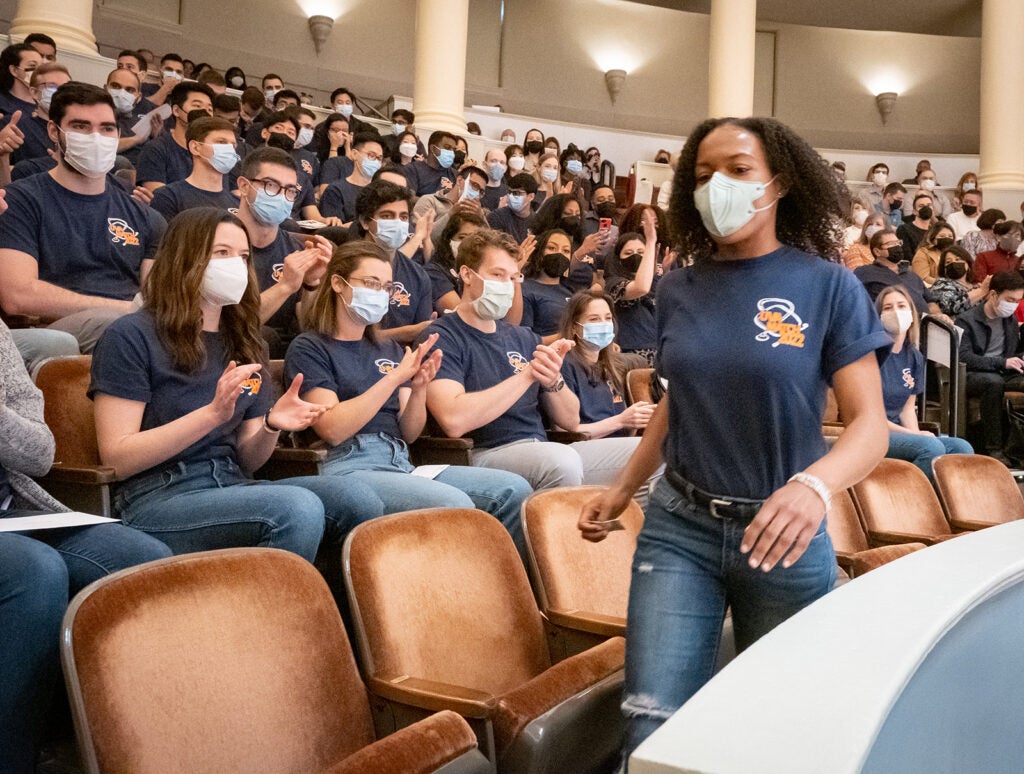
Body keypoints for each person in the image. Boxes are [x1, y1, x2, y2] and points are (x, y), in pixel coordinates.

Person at [578, 116, 890, 763]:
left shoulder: (827, 285)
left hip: (785, 534)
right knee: (651, 731)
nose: (718, 186)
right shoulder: (678, 287)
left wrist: (815, 485)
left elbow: (870, 426)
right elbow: (674, 401)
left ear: (778, 182)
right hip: (679, 529)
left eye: (738, 171)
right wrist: (623, 487)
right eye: (702, 175)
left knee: (783, 736)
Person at [90, 207, 365, 561]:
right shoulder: (130, 335)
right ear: (184, 259)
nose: (236, 265)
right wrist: (212, 414)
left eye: (243, 256)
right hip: (157, 493)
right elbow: (117, 457)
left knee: (355, 500)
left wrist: (270, 426)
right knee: (295, 508)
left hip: (232, 481)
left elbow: (248, 460)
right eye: (222, 253)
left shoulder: (246, 339)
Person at [0, 316, 170, 774]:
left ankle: (131, 754)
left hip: (10, 510)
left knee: (145, 560)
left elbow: (37, 453)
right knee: (34, 572)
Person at [284, 241, 532, 546]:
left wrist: (417, 390)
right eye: (371, 283)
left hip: (400, 460)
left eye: (386, 287)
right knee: (454, 505)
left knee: (512, 489)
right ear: (338, 283)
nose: (380, 293)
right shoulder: (310, 347)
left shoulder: (386, 348)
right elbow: (333, 429)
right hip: (347, 464)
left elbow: (410, 433)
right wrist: (393, 379)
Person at [425, 229, 645, 492]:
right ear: (467, 274)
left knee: (653, 453)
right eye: (497, 275)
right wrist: (527, 375)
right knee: (561, 462)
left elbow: (570, 420)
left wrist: (553, 380)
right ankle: (548, 532)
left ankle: (618, 531)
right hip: (482, 453)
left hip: (542, 447)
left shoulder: (523, 337)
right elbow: (453, 420)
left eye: (513, 277)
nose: (506, 284)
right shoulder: (443, 335)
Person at [0, 82, 166, 354]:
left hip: (135, 326)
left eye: (106, 129)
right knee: (122, 326)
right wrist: (126, 309)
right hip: (54, 331)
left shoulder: (146, 218)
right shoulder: (19, 200)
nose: (96, 137)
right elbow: (18, 297)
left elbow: (158, 299)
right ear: (54, 131)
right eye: (81, 127)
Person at [234, 147, 331, 357]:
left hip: (287, 356)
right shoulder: (218, 243)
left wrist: (311, 284)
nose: (281, 196)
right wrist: (286, 285)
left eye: (289, 190)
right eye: (271, 185)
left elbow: (309, 326)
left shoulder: (296, 247)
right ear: (243, 185)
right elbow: (228, 326)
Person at [876, 285, 973, 478]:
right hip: (874, 432)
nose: (896, 312)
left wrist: (914, 434)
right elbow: (871, 416)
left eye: (901, 306)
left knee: (962, 447)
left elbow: (906, 410)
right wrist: (915, 437)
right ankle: (908, 499)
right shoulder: (872, 355)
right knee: (930, 447)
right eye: (888, 308)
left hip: (899, 431)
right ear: (878, 316)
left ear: (912, 313)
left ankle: (941, 504)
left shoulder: (914, 356)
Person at [557, 289, 655, 440]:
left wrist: (637, 420)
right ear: (574, 327)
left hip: (617, 446)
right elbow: (563, 432)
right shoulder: (564, 365)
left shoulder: (610, 365)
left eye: (608, 318)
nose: (603, 324)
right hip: (582, 448)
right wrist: (621, 421)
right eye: (594, 319)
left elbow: (623, 430)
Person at [350, 180, 435, 343]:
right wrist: (404, 333)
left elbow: (420, 335)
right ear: (365, 222)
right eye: (387, 216)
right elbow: (338, 335)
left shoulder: (418, 275)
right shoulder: (345, 265)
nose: (397, 223)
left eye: (403, 217)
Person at [956, 270, 1024, 465]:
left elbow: (1009, 355)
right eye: (1010, 299)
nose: (1014, 305)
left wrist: (1019, 358)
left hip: (1003, 370)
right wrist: (1002, 363)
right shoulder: (966, 320)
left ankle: (1017, 447)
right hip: (975, 373)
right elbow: (964, 357)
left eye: (1018, 300)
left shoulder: (1009, 320)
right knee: (993, 383)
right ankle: (994, 448)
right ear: (993, 295)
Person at [151, 116, 240, 222]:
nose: (229, 149)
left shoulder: (238, 203)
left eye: (233, 145)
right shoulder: (168, 196)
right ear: (195, 147)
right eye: (221, 142)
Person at [136, 80, 215, 191]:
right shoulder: (156, 149)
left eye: (209, 109)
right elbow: (158, 197)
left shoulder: (213, 154)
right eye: (197, 106)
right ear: (177, 110)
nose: (204, 113)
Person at [605, 221, 660, 364]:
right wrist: (650, 242)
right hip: (628, 353)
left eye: (641, 252)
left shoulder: (656, 282)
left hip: (657, 350)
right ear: (618, 259)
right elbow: (641, 288)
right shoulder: (613, 283)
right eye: (628, 253)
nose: (636, 256)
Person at [854, 229, 931, 313]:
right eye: (891, 244)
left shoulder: (912, 275)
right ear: (877, 251)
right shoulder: (865, 272)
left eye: (898, 243)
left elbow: (930, 300)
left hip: (924, 322)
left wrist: (937, 314)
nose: (897, 246)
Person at [426, 210, 488, 313]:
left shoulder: (485, 269)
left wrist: (515, 279)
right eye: (462, 237)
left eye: (476, 239)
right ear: (449, 239)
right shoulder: (434, 272)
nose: (468, 244)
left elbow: (511, 321)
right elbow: (461, 315)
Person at [519, 229, 574, 341]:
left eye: (566, 251)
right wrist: (569, 335)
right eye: (552, 248)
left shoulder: (569, 291)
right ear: (540, 252)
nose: (559, 254)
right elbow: (524, 341)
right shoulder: (525, 289)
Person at [319, 132, 384, 224]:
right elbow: (334, 230)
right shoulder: (335, 190)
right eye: (371, 156)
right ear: (354, 154)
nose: (376, 162)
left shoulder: (382, 192)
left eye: (379, 158)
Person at [929, 245, 987, 318]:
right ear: (944, 269)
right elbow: (950, 307)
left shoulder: (976, 286)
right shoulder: (941, 284)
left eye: (958, 259)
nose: (953, 263)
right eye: (948, 262)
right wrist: (982, 291)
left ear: (968, 265)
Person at [487, 172, 537, 244]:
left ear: (531, 196)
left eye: (516, 193)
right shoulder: (496, 217)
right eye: (509, 192)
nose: (511, 196)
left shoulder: (538, 222)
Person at [404, 129, 457, 195]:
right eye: (447, 147)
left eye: (453, 150)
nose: (451, 152)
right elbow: (410, 198)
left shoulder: (453, 174)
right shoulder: (413, 169)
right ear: (433, 148)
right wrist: (435, 203)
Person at [0, 43, 41, 118]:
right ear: (14, 70)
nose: (40, 71)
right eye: (32, 65)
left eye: (41, 66)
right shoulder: (2, 104)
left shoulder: (46, 108)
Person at [910, 220, 956, 285]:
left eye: (950, 236)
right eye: (942, 236)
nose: (947, 238)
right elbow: (923, 278)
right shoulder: (923, 253)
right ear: (933, 238)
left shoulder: (956, 253)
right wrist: (945, 285)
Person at [896, 191, 934, 259]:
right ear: (914, 211)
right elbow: (906, 256)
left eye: (929, 205)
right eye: (921, 206)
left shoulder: (936, 230)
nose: (926, 208)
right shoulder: (904, 229)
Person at [481, 147, 508, 211]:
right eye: (493, 161)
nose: (498, 165)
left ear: (505, 168)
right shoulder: (476, 189)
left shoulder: (508, 192)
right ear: (484, 164)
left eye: (502, 162)